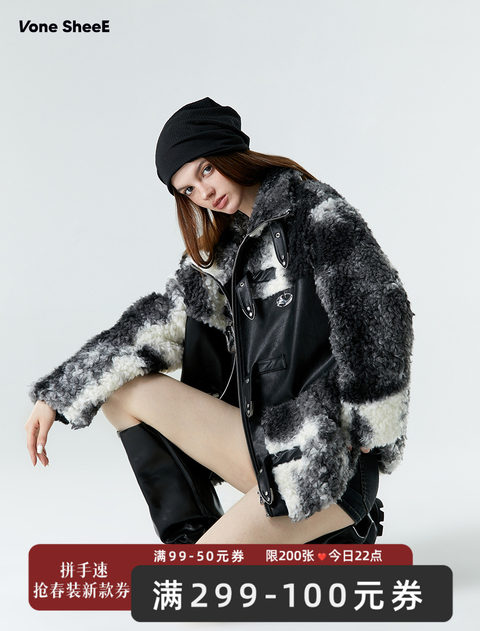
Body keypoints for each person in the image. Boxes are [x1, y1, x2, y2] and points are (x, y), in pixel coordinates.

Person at [24, 97, 414, 544]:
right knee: (120, 391)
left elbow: (379, 310)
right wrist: (56, 395)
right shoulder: (222, 254)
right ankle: (195, 539)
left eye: (206, 170)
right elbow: (154, 327)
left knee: (193, 583)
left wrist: (369, 423)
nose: (204, 193)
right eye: (188, 189)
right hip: (270, 449)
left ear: (230, 151)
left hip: (327, 460)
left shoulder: (314, 212)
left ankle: (339, 527)